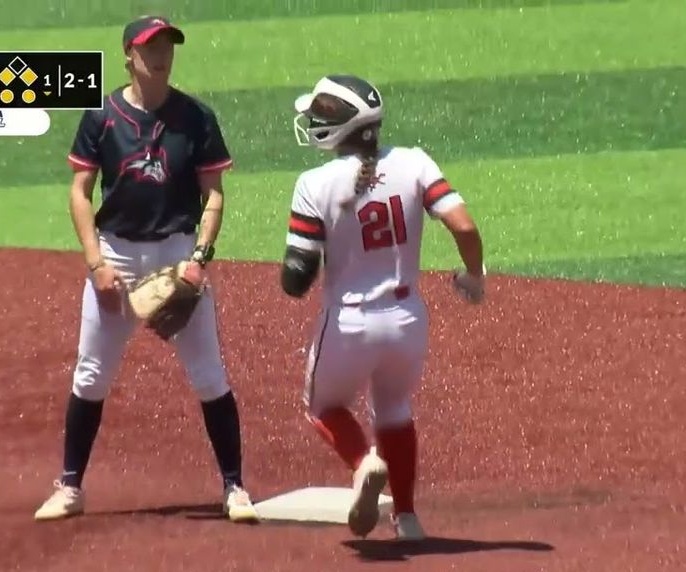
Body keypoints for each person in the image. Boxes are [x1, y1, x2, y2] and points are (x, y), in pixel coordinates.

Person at [34, 16, 258, 523]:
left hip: (179, 254)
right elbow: (79, 192)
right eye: (149, 48)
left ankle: (234, 488)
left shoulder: (197, 118)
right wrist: (96, 265)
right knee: (91, 375)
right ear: (128, 56)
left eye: (166, 47)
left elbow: (214, 196)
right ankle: (70, 486)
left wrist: (199, 260)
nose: (160, 55)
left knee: (209, 376)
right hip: (117, 255)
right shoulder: (102, 116)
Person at [281, 74, 486, 540]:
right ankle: (408, 518)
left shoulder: (314, 183)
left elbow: (296, 278)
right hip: (407, 321)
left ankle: (363, 462)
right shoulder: (414, 162)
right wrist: (473, 277)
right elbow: (465, 227)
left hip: (350, 321)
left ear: (339, 127)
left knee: (320, 405)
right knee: (394, 408)